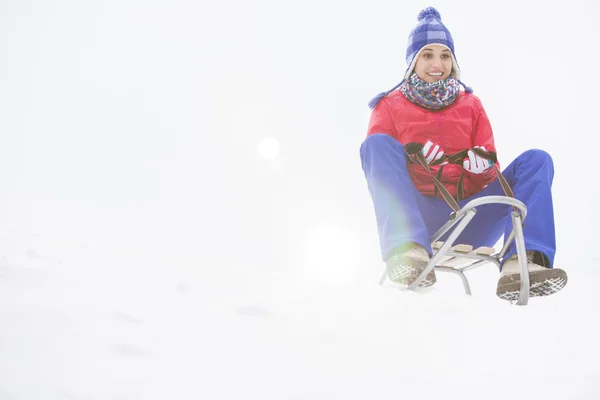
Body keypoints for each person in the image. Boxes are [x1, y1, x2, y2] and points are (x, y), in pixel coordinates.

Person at [359, 6, 568, 301]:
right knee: (376, 144)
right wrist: (414, 163)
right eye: (427, 54)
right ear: (412, 61)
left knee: (537, 159)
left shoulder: (470, 105)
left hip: (470, 218)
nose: (437, 63)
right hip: (419, 217)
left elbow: (489, 164)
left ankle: (521, 263)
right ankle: (407, 250)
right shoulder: (389, 106)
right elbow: (382, 166)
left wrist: (480, 168)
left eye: (445, 55)